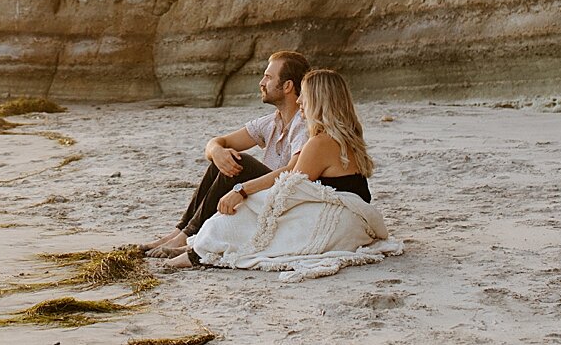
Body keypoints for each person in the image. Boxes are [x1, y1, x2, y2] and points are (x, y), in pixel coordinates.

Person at [155, 68, 391, 276]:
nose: (299, 103)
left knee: (246, 213)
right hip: (349, 215)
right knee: (250, 197)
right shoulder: (342, 137)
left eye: (305, 97)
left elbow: (289, 186)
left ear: (318, 100)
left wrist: (241, 191)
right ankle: (189, 238)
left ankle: (197, 251)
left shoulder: (320, 142)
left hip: (340, 218)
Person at [140, 51, 311, 259]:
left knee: (239, 162)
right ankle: (178, 233)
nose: (261, 82)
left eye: (268, 77)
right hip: (266, 193)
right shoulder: (271, 122)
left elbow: (294, 170)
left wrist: (241, 189)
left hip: (286, 197)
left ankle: (188, 235)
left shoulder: (302, 124)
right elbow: (216, 142)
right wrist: (217, 152)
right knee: (223, 160)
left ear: (287, 86)